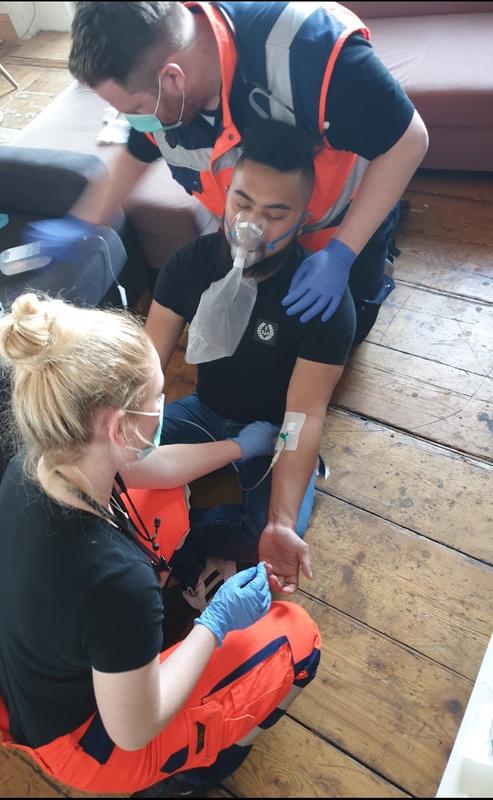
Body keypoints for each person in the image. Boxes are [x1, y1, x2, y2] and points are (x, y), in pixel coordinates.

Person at [0, 293, 320, 797]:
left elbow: (159, 465)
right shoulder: (115, 580)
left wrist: (242, 446)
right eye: (157, 397)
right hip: (90, 739)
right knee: (297, 637)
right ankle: (195, 771)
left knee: (165, 497)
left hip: (37, 673)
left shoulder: (41, 461)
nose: (163, 404)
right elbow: (133, 727)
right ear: (117, 425)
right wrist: (215, 624)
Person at [26, 1, 428, 335]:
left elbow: (408, 141)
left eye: (134, 109)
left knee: (345, 332)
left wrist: (342, 254)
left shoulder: (308, 51)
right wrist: (83, 221)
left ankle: (380, 248)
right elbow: (137, 153)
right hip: (261, 240)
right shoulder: (164, 90)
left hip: (339, 229)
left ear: (173, 78)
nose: (135, 121)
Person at [145, 119, 355, 598]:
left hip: (277, 432)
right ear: (226, 192)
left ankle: (185, 538)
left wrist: (281, 520)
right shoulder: (190, 264)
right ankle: (181, 534)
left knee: (266, 538)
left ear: (304, 217)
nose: (251, 225)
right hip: (205, 412)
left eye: (276, 214)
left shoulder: (321, 300)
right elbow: (145, 369)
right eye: (242, 202)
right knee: (109, 463)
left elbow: (303, 414)